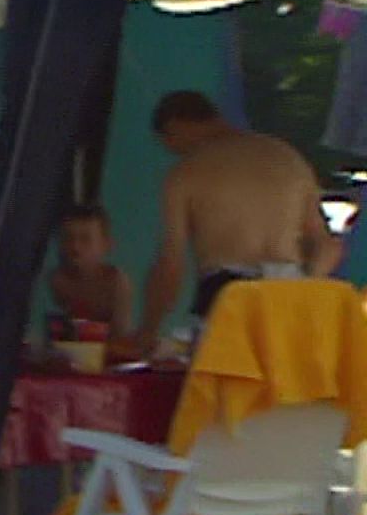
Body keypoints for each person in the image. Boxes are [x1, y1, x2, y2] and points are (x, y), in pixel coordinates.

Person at [132, 90, 341, 351]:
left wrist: (148, 329)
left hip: (227, 297)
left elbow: (171, 264)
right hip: (291, 293)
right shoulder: (288, 160)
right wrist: (305, 282)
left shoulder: (187, 172)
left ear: (175, 127)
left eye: (169, 143)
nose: (174, 151)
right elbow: (327, 245)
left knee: (224, 375)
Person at [48, 205, 134, 338]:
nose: (75, 246)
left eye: (85, 239)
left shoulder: (116, 283)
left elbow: (121, 335)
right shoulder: (57, 280)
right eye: (68, 238)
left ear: (106, 245)